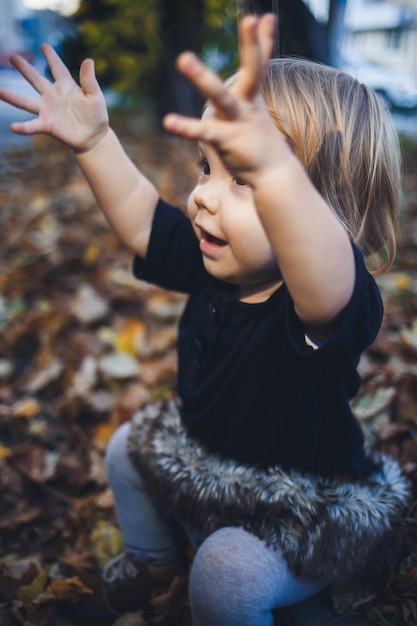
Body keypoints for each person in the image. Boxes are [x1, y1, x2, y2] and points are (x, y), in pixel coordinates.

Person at [0, 14, 411, 626]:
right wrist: (94, 144)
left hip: (300, 514)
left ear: (329, 213)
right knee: (125, 450)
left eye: (244, 179)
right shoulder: (217, 258)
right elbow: (143, 220)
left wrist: (277, 174)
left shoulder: (322, 304)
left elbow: (326, 274)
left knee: (224, 573)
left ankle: (294, 592)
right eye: (205, 168)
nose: (203, 197)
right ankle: (153, 558)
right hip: (209, 466)